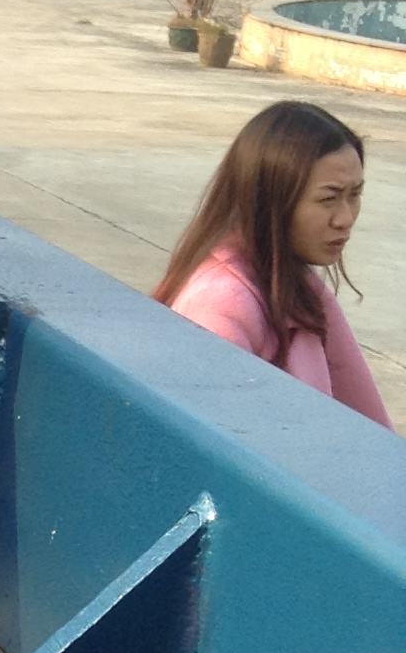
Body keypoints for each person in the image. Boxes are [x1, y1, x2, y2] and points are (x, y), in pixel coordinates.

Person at [156, 100, 393, 430]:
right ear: (271, 201)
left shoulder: (298, 285)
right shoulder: (223, 305)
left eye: (354, 195)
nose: (345, 218)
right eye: (328, 198)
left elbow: (371, 432)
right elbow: (211, 447)